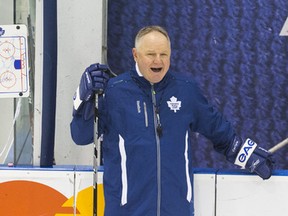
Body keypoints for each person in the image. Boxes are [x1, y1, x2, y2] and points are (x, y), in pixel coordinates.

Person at [70, 25, 274, 216]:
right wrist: (83, 100)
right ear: (135, 54)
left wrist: (244, 154)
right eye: (150, 54)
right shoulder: (113, 92)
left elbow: (220, 132)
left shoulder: (185, 90)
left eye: (163, 54)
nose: (158, 61)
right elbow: (81, 136)